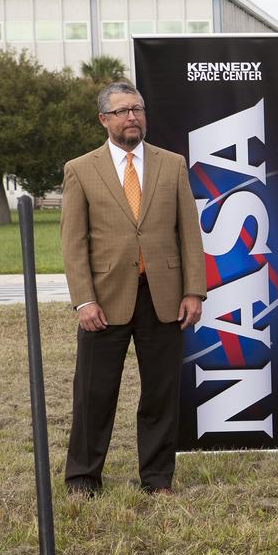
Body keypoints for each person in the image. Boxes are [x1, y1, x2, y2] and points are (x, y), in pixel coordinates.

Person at [59, 81, 206, 496]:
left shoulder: (172, 164)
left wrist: (194, 290)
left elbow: (189, 233)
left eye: (137, 109)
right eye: (122, 111)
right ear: (104, 119)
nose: (131, 118)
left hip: (164, 297)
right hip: (104, 300)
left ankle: (157, 480)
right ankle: (83, 478)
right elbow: (73, 243)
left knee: (160, 393)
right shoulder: (81, 169)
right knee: (94, 393)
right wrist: (84, 299)